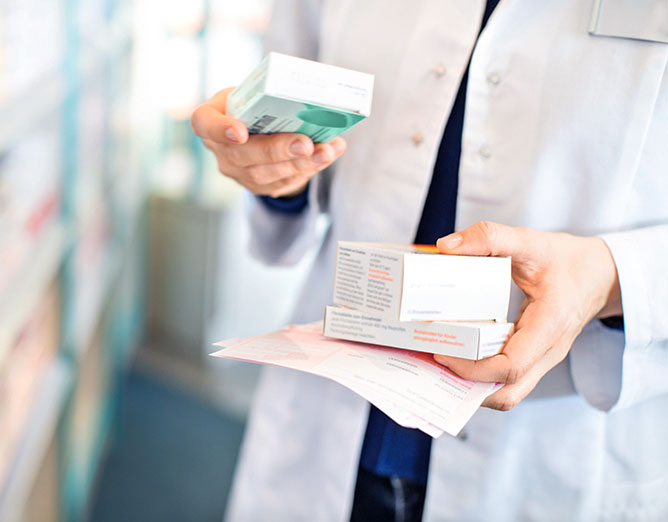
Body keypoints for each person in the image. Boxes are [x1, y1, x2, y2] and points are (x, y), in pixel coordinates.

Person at [192, 1, 668, 520]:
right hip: (333, 418)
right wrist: (270, 171)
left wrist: (613, 277)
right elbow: (292, 126)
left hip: (554, 442)